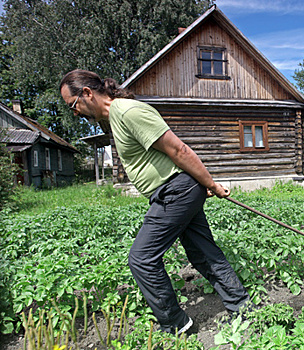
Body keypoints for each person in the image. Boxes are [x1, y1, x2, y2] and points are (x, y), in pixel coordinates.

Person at [60, 69, 250, 335]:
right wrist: (198, 186)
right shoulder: (116, 117)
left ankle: (175, 323)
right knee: (203, 253)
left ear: (87, 93)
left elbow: (178, 149)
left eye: (73, 105)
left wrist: (210, 184)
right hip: (178, 190)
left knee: (142, 258)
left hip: (174, 192)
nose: (75, 112)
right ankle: (242, 308)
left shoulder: (127, 112)